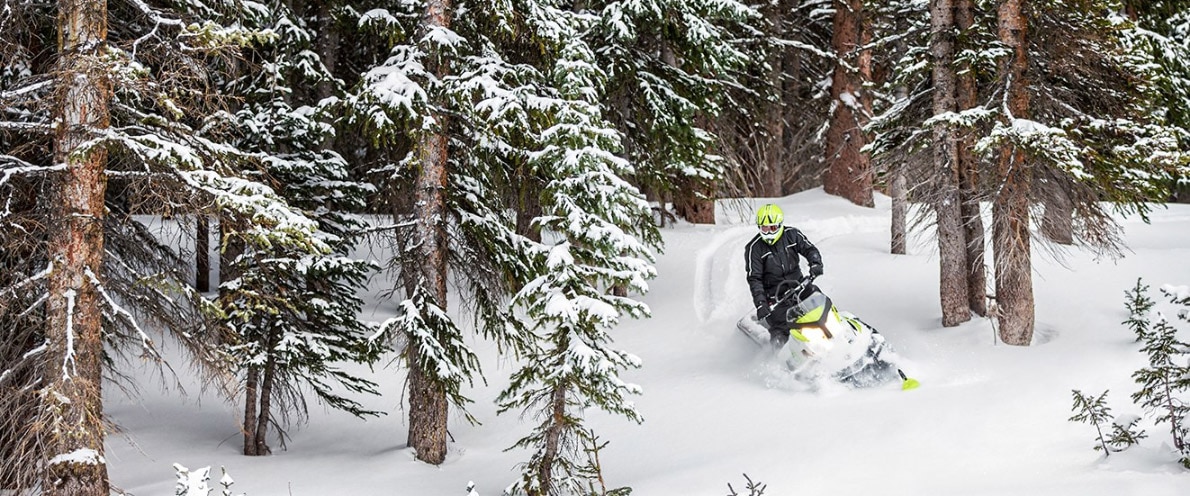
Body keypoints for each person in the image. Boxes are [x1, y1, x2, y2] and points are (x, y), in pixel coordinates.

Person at [745, 203, 823, 347]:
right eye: (764, 228)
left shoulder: (792, 235)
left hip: (800, 286)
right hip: (776, 299)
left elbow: (809, 249)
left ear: (780, 225)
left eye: (772, 228)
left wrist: (815, 263)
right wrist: (761, 304)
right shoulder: (754, 248)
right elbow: (754, 279)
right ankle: (779, 359)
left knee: (820, 302)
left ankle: (842, 332)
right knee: (781, 328)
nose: (768, 233)